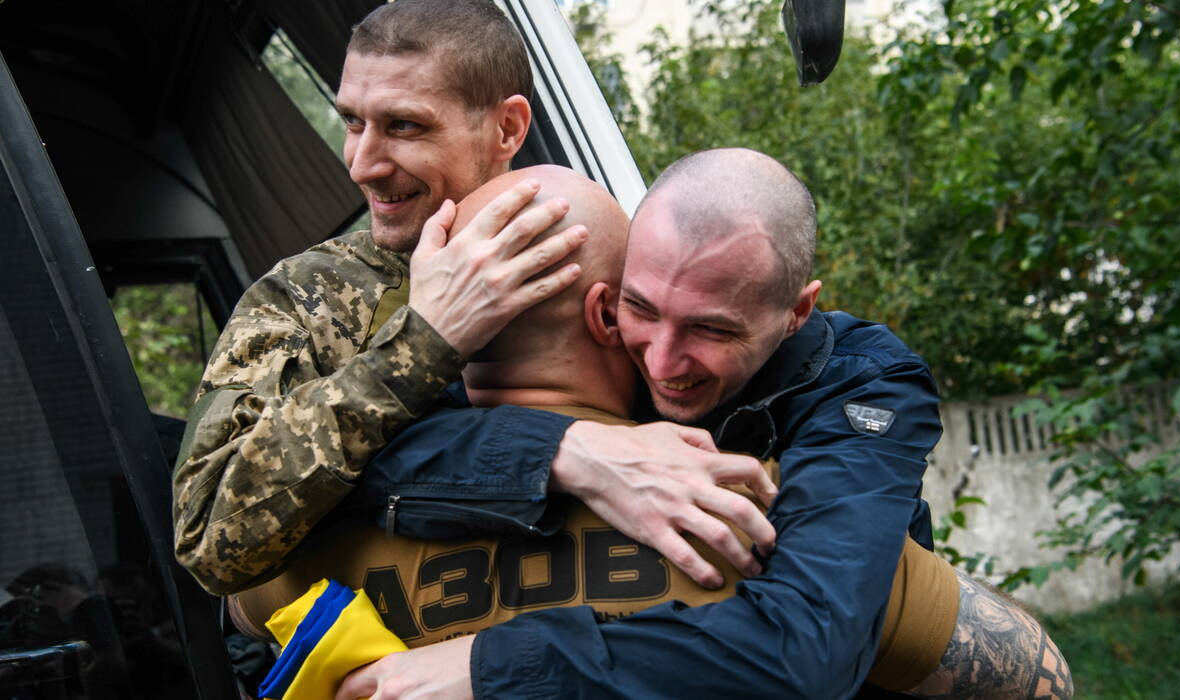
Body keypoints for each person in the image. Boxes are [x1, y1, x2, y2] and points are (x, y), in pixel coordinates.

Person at [227, 165, 1071, 699]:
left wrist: (487, 665)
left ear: (797, 314)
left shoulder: (295, 540)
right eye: (640, 308)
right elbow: (1040, 678)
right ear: (606, 307)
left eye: (710, 328)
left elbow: (238, 563)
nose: (664, 362)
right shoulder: (757, 515)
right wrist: (567, 451)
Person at [173, 0, 775, 597]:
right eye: (353, 122)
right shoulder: (313, 297)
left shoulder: (622, 247)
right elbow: (208, 542)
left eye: (404, 126)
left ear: (508, 127)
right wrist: (420, 347)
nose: (361, 164)